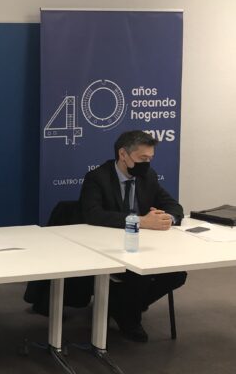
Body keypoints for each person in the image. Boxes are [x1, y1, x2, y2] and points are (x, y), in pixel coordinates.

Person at [80, 130, 187, 342]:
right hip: (107, 247)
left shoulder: (148, 176)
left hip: (143, 245)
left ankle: (121, 307)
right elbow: (93, 214)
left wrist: (166, 219)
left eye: (150, 159)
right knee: (139, 275)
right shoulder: (98, 178)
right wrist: (140, 221)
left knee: (176, 274)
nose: (146, 164)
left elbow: (174, 206)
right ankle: (130, 318)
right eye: (142, 158)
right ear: (123, 154)